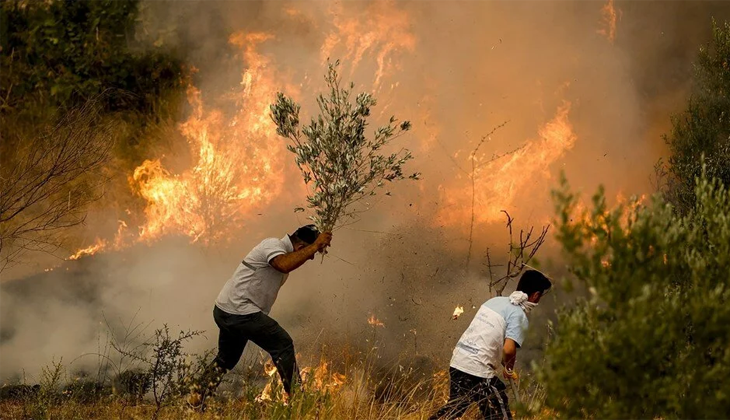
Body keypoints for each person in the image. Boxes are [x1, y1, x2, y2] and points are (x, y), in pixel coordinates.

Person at [192, 225, 332, 404]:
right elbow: (283, 264)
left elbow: (287, 263)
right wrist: (315, 245)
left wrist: (316, 244)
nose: (311, 257)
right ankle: (298, 401)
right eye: (310, 252)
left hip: (227, 310)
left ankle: (195, 397)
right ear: (301, 247)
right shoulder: (272, 245)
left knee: (226, 358)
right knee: (283, 344)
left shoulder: (281, 250)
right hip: (239, 312)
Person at [430, 270, 552, 420]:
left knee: (456, 408)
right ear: (536, 295)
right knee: (498, 412)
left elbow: (490, 339)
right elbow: (508, 349)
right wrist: (508, 368)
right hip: (478, 371)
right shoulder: (519, 315)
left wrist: (506, 363)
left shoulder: (495, 301)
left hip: (459, 361)